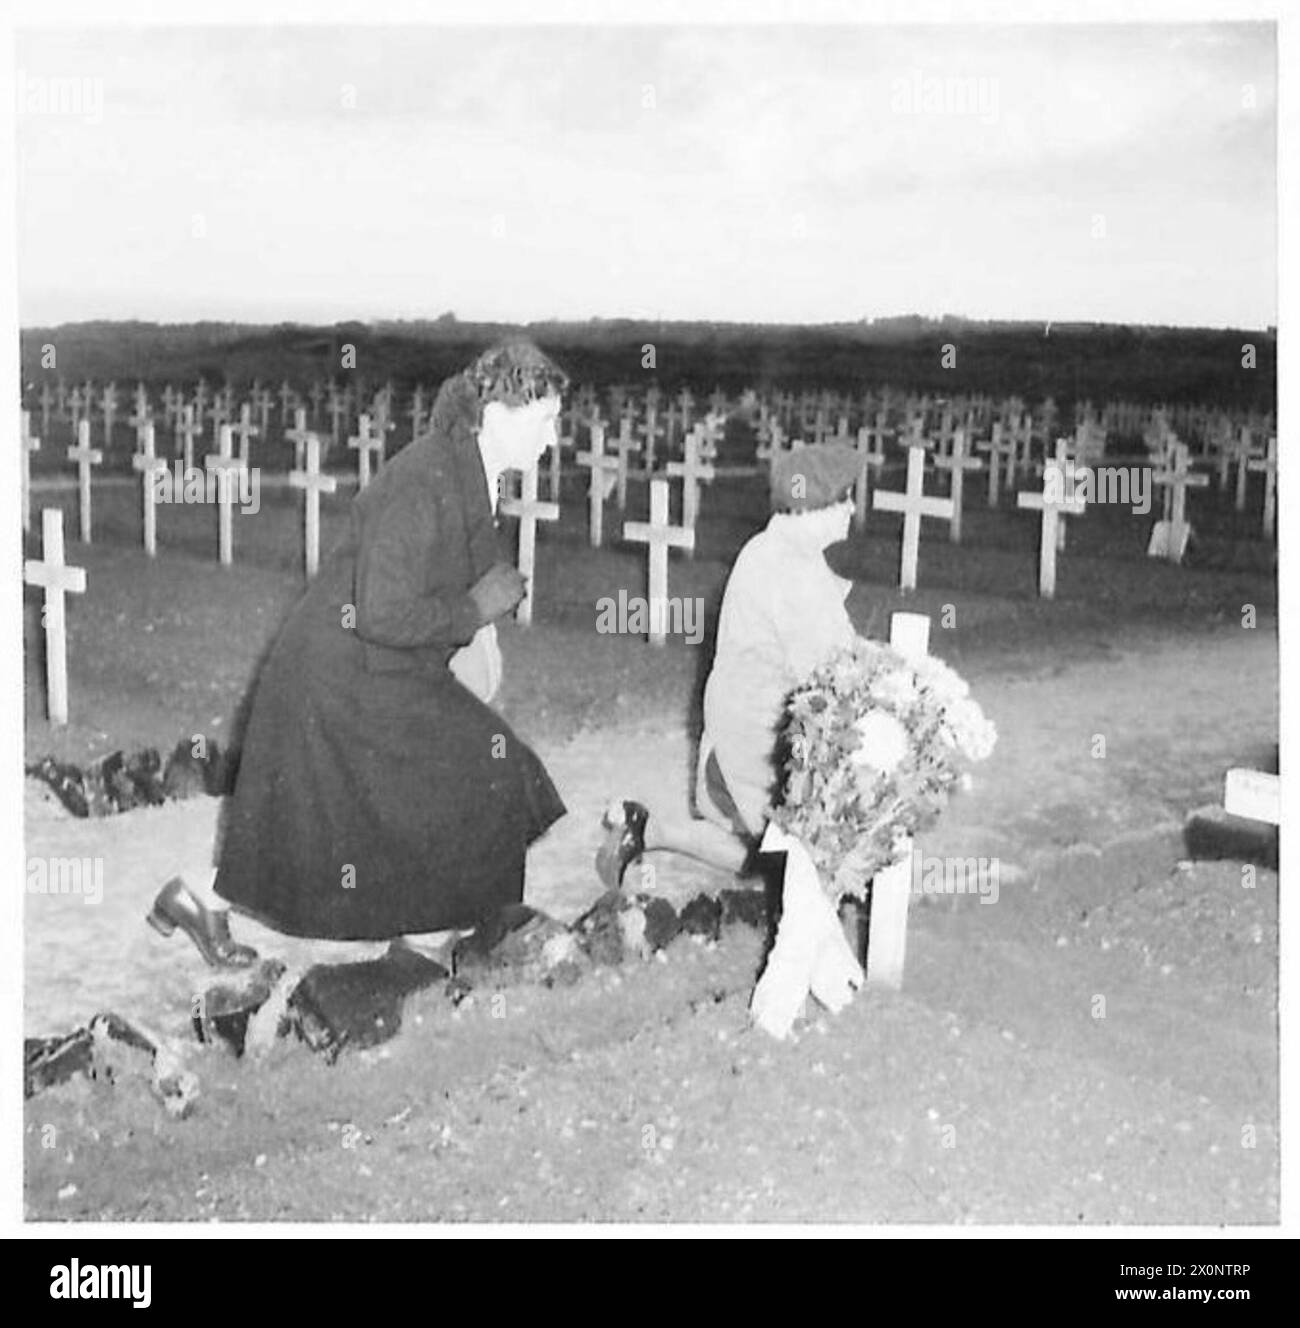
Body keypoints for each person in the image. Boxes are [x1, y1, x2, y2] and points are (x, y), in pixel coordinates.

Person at [148, 342, 568, 966]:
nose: (553, 440)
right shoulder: (426, 479)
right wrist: (477, 609)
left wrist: (481, 620)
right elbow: (381, 611)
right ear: (501, 414)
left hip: (380, 662)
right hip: (341, 671)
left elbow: (453, 580)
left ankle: (431, 927)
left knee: (461, 777)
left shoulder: (471, 474)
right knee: (480, 774)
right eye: (544, 421)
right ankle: (447, 937)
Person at [597, 441, 863, 886]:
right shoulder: (788, 567)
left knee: (775, 856)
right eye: (843, 498)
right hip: (759, 738)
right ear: (814, 505)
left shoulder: (779, 548)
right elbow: (832, 671)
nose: (851, 509)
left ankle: (648, 828)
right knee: (806, 855)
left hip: (754, 725)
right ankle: (652, 829)